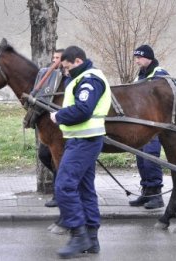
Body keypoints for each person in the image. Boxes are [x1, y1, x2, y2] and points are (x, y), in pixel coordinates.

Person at [49, 45, 111, 258]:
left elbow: (84, 110)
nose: (66, 72)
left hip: (85, 141)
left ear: (77, 61)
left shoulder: (89, 79)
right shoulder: (82, 77)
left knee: (64, 185)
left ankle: (78, 234)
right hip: (81, 140)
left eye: (66, 67)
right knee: (84, 189)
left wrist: (59, 116)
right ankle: (92, 239)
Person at [128, 44, 168, 209]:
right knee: (141, 159)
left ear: (148, 58)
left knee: (151, 157)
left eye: (139, 58)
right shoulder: (141, 75)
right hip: (141, 125)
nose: (137, 61)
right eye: (136, 58)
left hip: (155, 125)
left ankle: (157, 196)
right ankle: (146, 192)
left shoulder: (160, 75)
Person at [39, 48, 64, 209]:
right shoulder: (49, 76)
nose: (55, 61)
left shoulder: (66, 78)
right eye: (53, 57)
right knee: (44, 155)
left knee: (59, 161)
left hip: (62, 126)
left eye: (58, 58)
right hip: (50, 126)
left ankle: (58, 194)